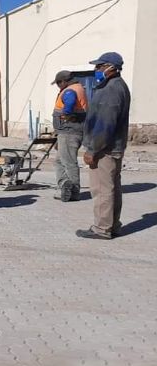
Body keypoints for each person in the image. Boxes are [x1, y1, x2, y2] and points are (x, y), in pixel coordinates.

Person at [76, 52, 130, 240]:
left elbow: (105, 123)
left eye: (99, 66)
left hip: (104, 149)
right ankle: (112, 225)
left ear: (111, 67)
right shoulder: (114, 86)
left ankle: (102, 228)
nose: (96, 70)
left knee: (102, 189)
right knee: (112, 188)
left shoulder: (111, 89)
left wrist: (93, 149)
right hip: (111, 146)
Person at [51, 70, 87, 202]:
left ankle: (73, 192)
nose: (57, 86)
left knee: (69, 162)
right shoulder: (79, 88)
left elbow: (69, 104)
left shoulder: (69, 91)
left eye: (58, 84)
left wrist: (66, 115)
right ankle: (64, 185)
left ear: (63, 82)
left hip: (69, 131)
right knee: (59, 161)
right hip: (69, 131)